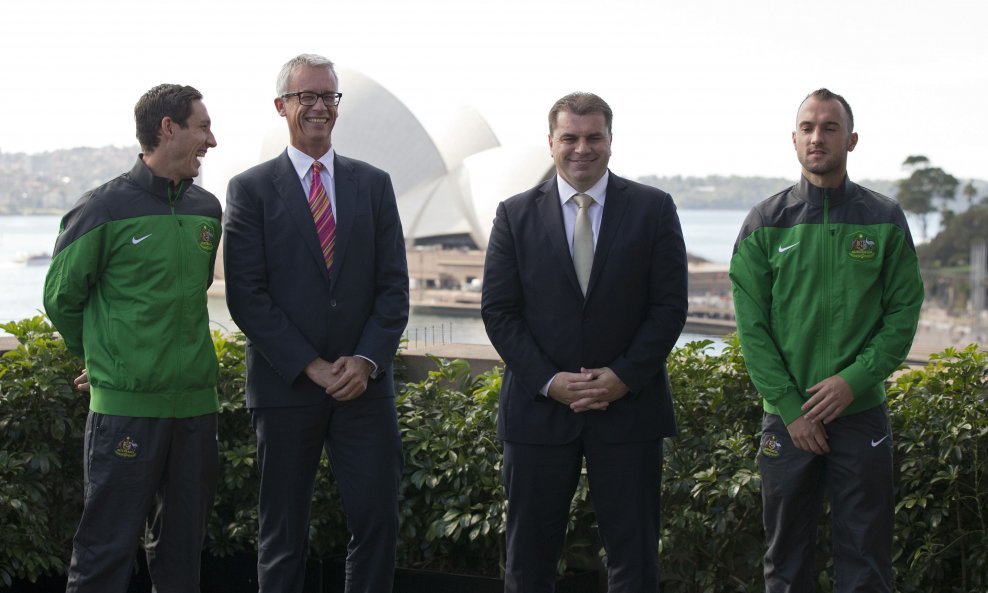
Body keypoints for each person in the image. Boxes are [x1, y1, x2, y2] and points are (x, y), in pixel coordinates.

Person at [481, 92, 688, 593]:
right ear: (550, 142)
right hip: (538, 413)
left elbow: (669, 308)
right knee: (527, 563)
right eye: (569, 137)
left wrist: (622, 378)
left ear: (611, 141)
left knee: (634, 563)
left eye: (594, 137)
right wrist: (550, 381)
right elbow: (499, 312)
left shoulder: (653, 209)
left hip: (628, 412)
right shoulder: (513, 214)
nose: (582, 148)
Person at [223, 53, 409, 593]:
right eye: (307, 96)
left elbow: (394, 288)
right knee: (282, 534)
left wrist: (367, 360)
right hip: (286, 389)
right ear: (282, 105)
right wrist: (311, 364)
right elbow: (247, 297)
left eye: (329, 96)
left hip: (364, 389)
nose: (320, 107)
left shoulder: (373, 184)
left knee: (376, 526)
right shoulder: (251, 188)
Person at [730, 88, 924, 592]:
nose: (818, 137)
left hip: (860, 416)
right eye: (809, 128)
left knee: (866, 560)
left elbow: (903, 314)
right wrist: (793, 409)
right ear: (793, 138)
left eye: (830, 128)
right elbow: (753, 330)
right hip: (787, 420)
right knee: (786, 562)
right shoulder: (764, 224)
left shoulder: (884, 218)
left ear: (851, 139)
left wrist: (852, 382)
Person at [43, 83, 221, 593]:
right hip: (125, 408)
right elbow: (61, 298)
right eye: (202, 126)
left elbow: (191, 294)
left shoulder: (208, 210)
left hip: (194, 408)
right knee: (105, 552)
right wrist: (102, 359)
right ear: (168, 128)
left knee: (183, 554)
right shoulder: (102, 209)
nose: (212, 139)